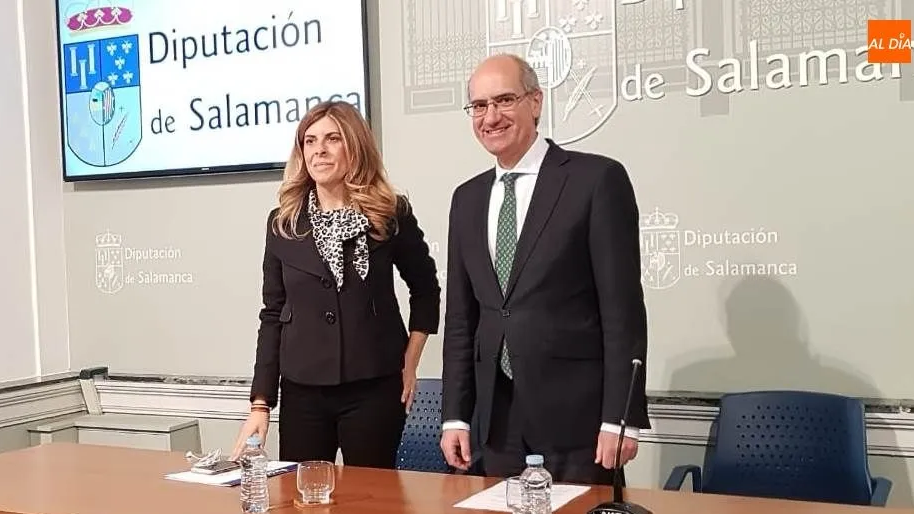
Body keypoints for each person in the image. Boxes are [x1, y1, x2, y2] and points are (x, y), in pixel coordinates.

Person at [439, 54, 650, 485]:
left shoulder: (595, 180)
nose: (491, 117)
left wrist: (620, 416)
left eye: (504, 100)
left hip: (578, 423)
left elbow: (622, 309)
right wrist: (455, 417)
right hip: (494, 423)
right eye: (479, 106)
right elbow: (463, 320)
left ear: (535, 102)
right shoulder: (467, 199)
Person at [232, 101, 441, 468]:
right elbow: (272, 315)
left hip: (374, 387)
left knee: (372, 508)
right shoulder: (283, 223)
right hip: (303, 392)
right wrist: (260, 403)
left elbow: (426, 290)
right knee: (305, 512)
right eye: (309, 141)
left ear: (355, 146)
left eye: (332, 139)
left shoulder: (391, 213)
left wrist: (410, 361)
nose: (319, 150)